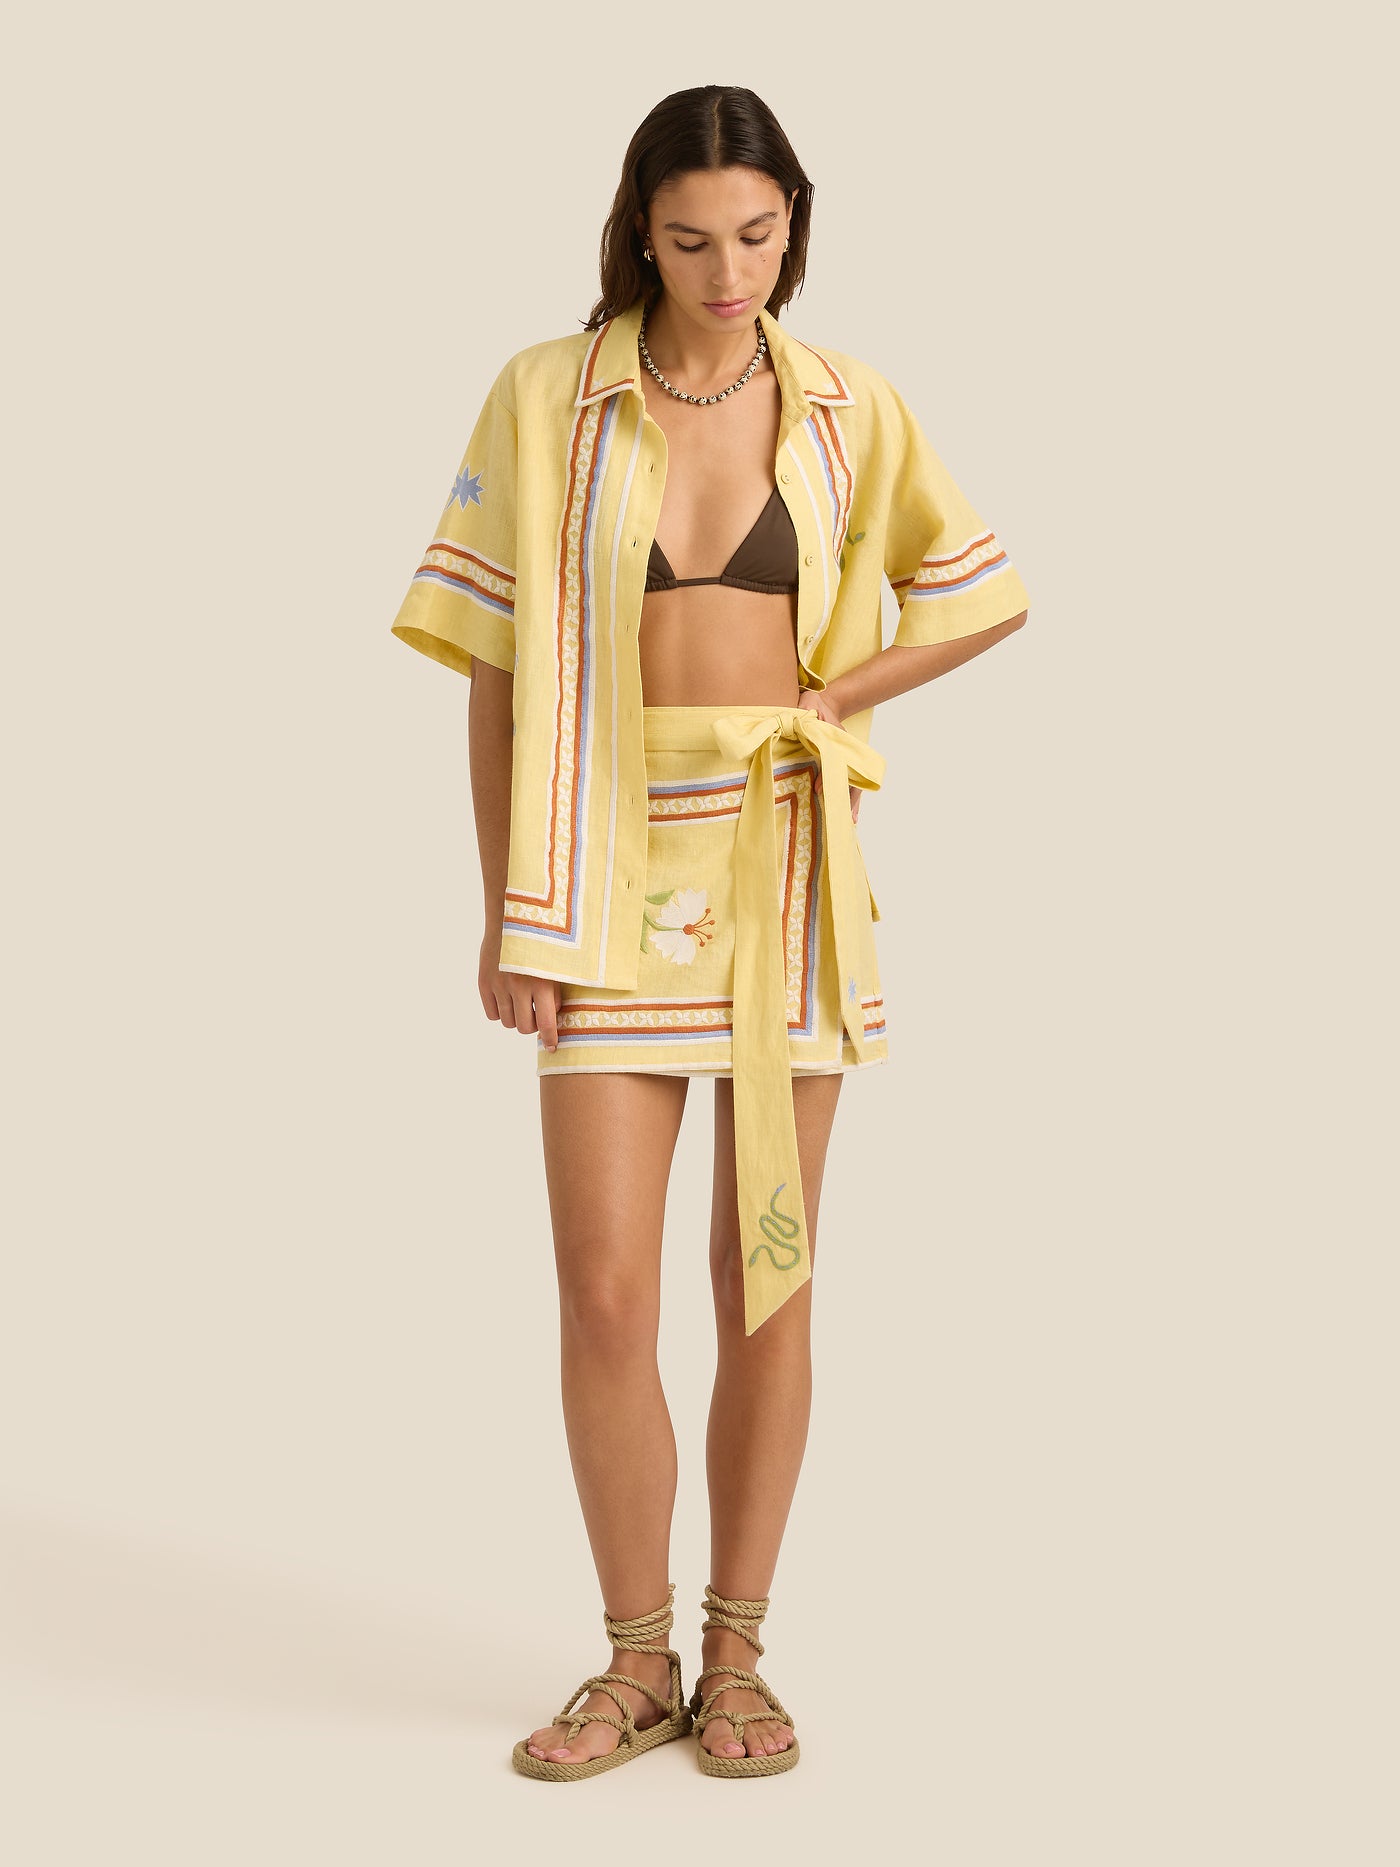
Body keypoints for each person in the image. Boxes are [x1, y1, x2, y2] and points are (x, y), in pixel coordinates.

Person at [388, 85, 1030, 1782]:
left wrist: (841, 696)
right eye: (691, 241)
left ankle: (739, 1656)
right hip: (597, 873)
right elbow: (493, 673)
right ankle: (633, 1659)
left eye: (757, 236)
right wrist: (505, 906)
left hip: (782, 876)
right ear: (640, 232)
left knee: (767, 1279)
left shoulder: (849, 406)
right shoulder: (548, 394)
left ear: (793, 224)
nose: (730, 272)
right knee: (603, 1293)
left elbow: (980, 589)